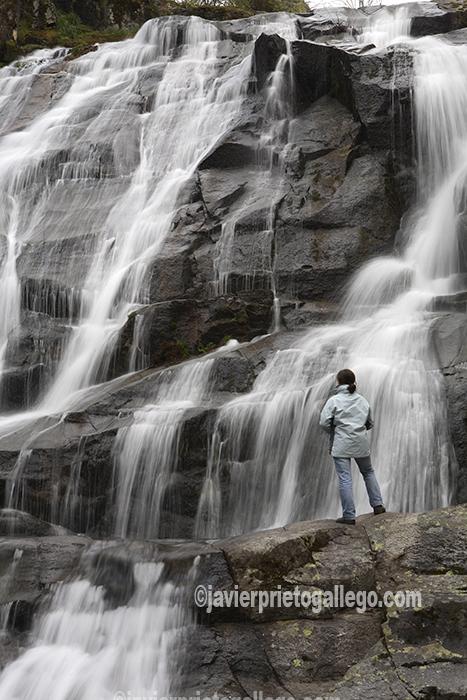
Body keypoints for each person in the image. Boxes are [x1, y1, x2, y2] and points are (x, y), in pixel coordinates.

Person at [319, 368, 385, 525]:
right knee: (368, 472)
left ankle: (349, 515)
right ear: (353, 382)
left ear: (338, 382)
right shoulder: (362, 400)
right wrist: (359, 430)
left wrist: (335, 430)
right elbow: (370, 422)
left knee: (345, 478)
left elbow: (323, 422)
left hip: (341, 444)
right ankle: (378, 505)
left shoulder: (333, 401)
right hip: (360, 443)